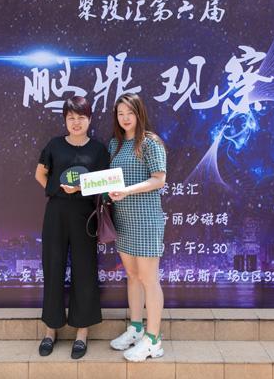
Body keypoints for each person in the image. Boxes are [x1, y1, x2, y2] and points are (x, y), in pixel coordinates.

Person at [34, 96, 109, 359]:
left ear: (90, 119)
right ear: (65, 120)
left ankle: (81, 333)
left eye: (81, 117)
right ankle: (50, 331)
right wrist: (57, 190)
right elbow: (40, 174)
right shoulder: (54, 145)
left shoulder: (98, 150)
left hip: (85, 216)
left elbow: (105, 182)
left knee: (85, 271)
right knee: (53, 268)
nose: (76, 123)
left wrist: (80, 188)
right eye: (71, 118)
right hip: (56, 213)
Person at [107, 93, 168, 362]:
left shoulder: (150, 142)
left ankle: (153, 340)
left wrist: (127, 190)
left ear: (139, 113)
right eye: (120, 114)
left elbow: (159, 180)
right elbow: (110, 179)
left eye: (129, 112)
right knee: (132, 276)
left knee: (148, 279)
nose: (125, 118)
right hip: (123, 221)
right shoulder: (115, 144)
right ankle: (136, 328)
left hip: (146, 220)